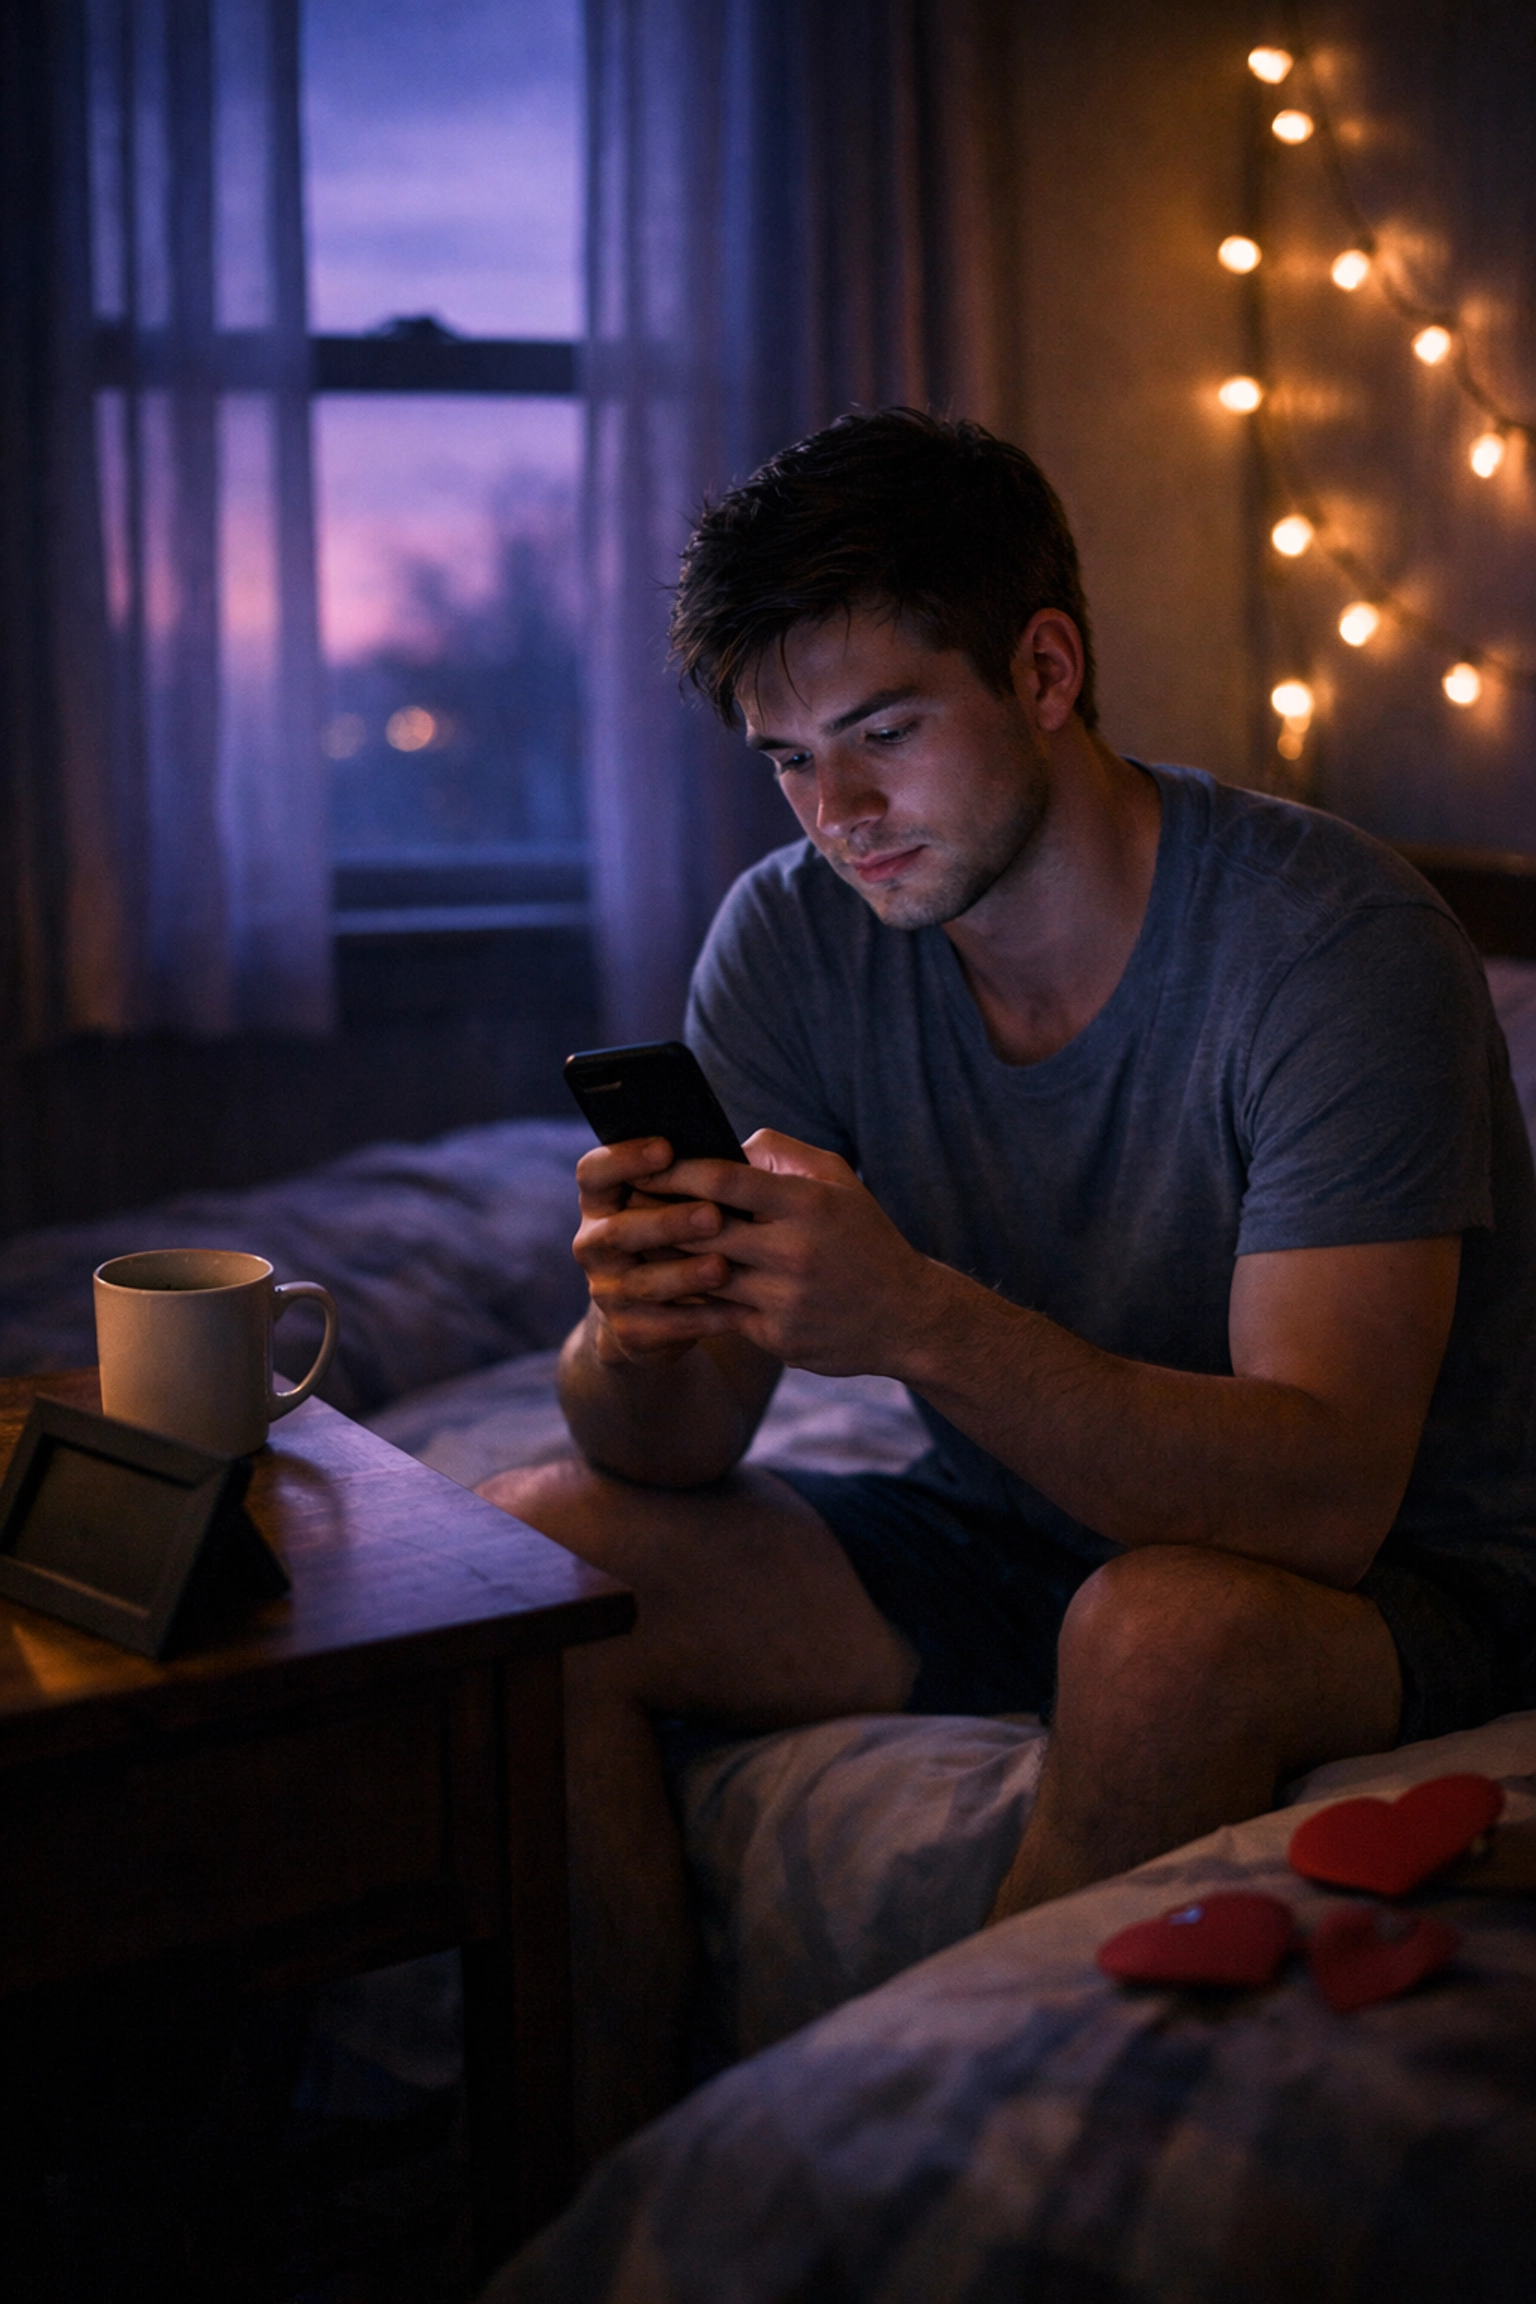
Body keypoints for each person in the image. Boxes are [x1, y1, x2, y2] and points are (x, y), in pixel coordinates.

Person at [481, 407, 1536, 2155]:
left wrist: (911, 1317)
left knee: (1163, 1633)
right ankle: (598, 2187)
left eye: (885, 733)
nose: (839, 815)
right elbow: (672, 1453)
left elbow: (1326, 1503)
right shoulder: (791, 936)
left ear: (1045, 671)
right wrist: (637, 1324)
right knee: (543, 1561)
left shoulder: (1329, 943)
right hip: (1009, 1532)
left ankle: (920, 2169)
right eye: (789, 760)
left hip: (1409, 1580)